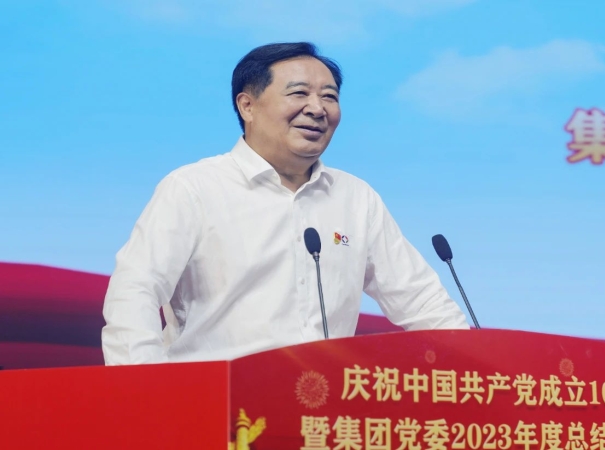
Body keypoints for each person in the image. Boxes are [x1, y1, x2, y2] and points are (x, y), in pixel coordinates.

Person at [101, 42, 469, 365]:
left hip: (320, 406)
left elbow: (422, 302)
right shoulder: (194, 189)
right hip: (217, 403)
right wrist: (145, 392)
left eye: (329, 97)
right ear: (247, 106)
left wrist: (478, 369)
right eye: (299, 93)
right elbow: (134, 293)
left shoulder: (356, 198)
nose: (317, 109)